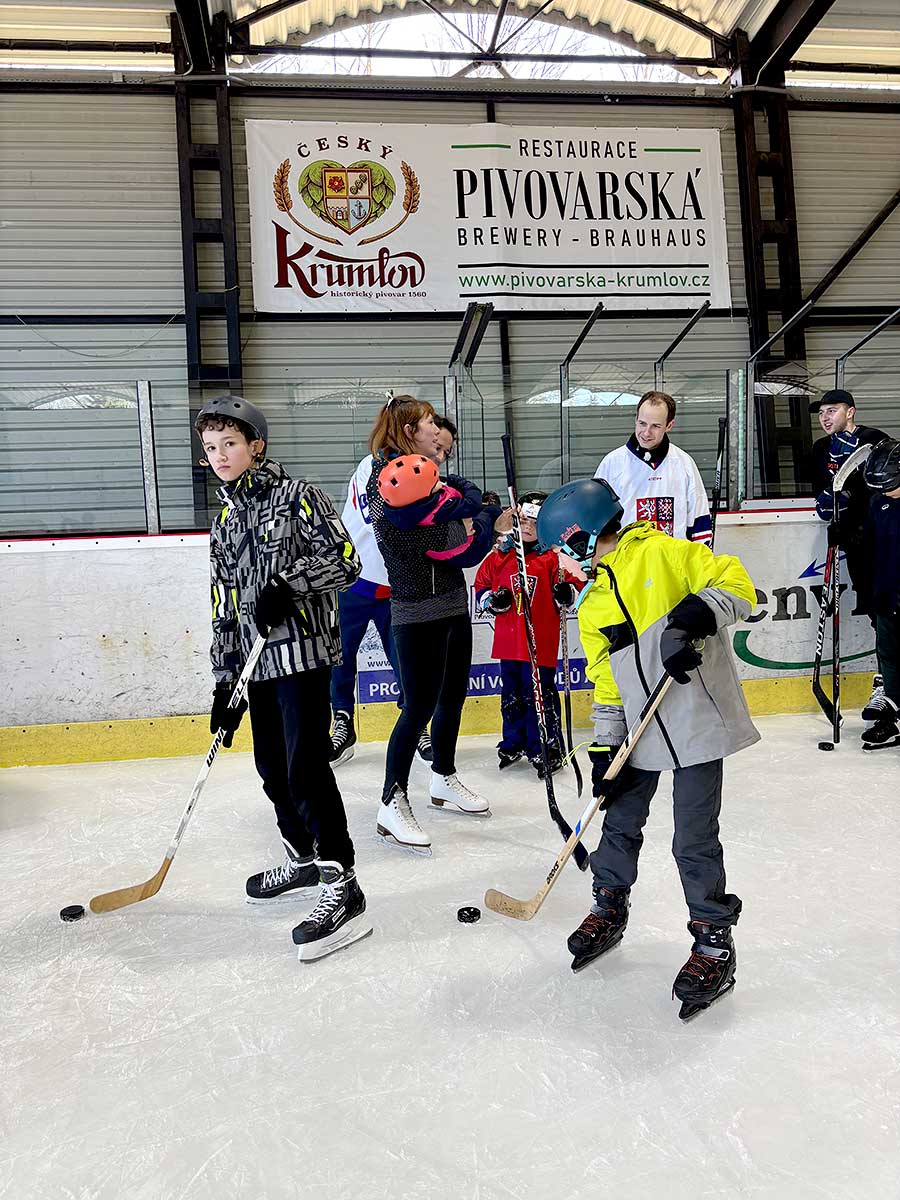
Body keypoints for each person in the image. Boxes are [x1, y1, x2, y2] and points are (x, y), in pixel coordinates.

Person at [536, 477, 759, 1020]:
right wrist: (604, 749)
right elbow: (606, 683)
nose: (561, 564)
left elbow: (738, 583)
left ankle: (713, 943)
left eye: (560, 551)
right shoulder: (592, 604)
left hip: (696, 722)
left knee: (693, 839)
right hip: (638, 729)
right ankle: (609, 907)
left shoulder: (663, 553)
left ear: (580, 538)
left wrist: (692, 617)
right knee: (619, 822)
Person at [196, 394, 372, 962]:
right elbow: (224, 605)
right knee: (271, 767)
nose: (220, 455)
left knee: (305, 768)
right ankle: (303, 857)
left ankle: (342, 882)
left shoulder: (298, 496)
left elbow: (345, 560)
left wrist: (287, 585)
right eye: (210, 448)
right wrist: (225, 682)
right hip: (254, 664)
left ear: (256, 446)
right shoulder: (224, 520)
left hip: (302, 654)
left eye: (229, 443)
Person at [366, 395, 503, 853]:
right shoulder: (390, 481)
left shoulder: (429, 475)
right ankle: (391, 802)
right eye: (428, 422)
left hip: (451, 602)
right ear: (409, 431)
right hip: (416, 609)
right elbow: (449, 543)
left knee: (452, 697)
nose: (436, 428)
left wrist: (476, 514)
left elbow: (459, 525)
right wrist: (487, 518)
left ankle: (443, 776)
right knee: (418, 707)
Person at [474, 491, 579, 776]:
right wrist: (491, 601)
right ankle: (514, 741)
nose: (528, 526)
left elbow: (577, 586)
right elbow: (481, 585)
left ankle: (545, 745)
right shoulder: (500, 555)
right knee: (512, 695)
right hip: (509, 643)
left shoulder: (555, 558)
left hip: (540, 644)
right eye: (523, 520)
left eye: (535, 521)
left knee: (540, 695)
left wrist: (566, 592)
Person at [810, 389, 888, 721]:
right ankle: (887, 684)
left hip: (884, 541)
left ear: (850, 411)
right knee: (874, 612)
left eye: (832, 410)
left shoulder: (875, 441)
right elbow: (824, 500)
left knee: (889, 613)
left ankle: (887, 685)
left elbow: (886, 490)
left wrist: (855, 491)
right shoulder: (820, 449)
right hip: (854, 544)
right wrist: (834, 506)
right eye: (821, 413)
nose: (825, 417)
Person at [593, 390, 711, 544]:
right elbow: (595, 521)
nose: (646, 433)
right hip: (627, 557)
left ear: (669, 425)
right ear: (635, 419)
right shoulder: (611, 463)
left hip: (672, 557)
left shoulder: (684, 464)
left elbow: (699, 521)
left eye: (655, 426)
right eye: (642, 423)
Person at [860, 438, 900, 751]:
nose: (884, 491)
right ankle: (892, 718)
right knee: (889, 658)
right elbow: (871, 550)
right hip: (887, 596)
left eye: (889, 486)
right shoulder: (878, 503)